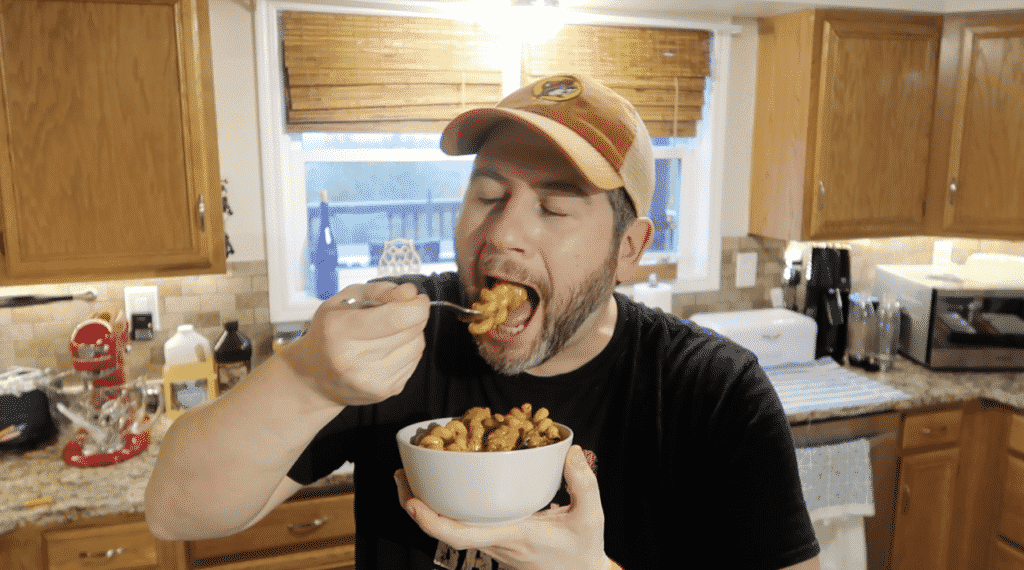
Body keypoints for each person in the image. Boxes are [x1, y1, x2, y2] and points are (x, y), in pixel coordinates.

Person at [146, 74, 821, 570]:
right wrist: (306, 378)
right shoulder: (400, 342)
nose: (502, 234)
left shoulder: (714, 392)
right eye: (489, 194)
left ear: (629, 248)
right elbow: (177, 511)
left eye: (554, 208)